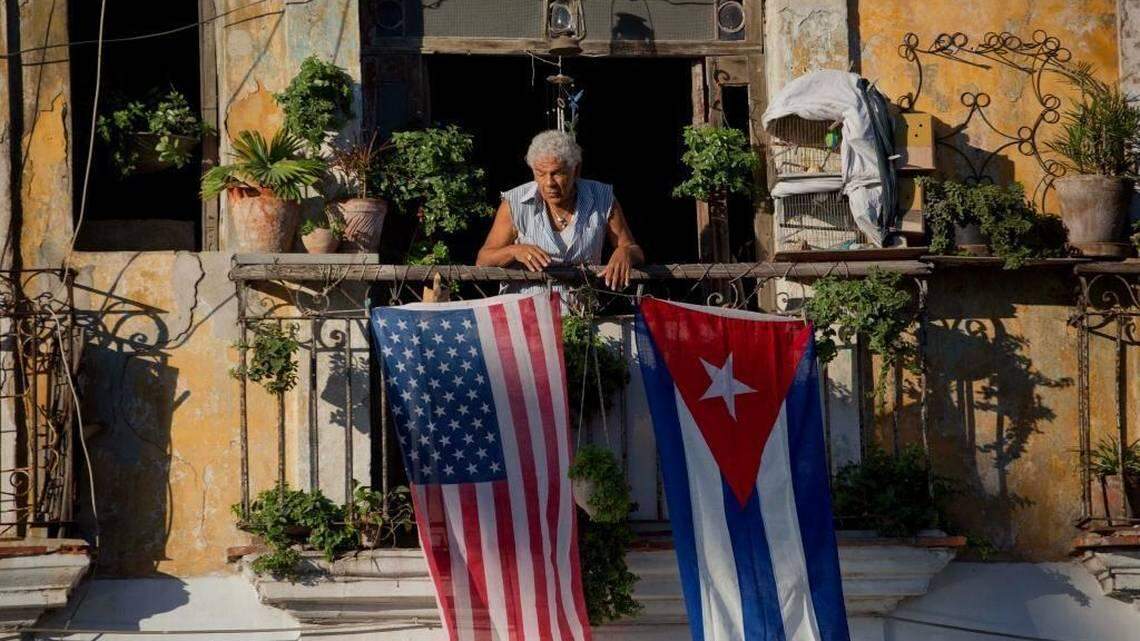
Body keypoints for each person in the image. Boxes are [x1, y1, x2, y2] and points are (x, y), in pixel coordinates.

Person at [476, 130, 644, 290]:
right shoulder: (514, 203)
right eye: (541, 174)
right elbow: (483, 260)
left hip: (582, 311)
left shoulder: (602, 198)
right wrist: (514, 251)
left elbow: (634, 249)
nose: (549, 183)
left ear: (576, 170)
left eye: (557, 173)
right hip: (527, 311)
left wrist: (625, 252)